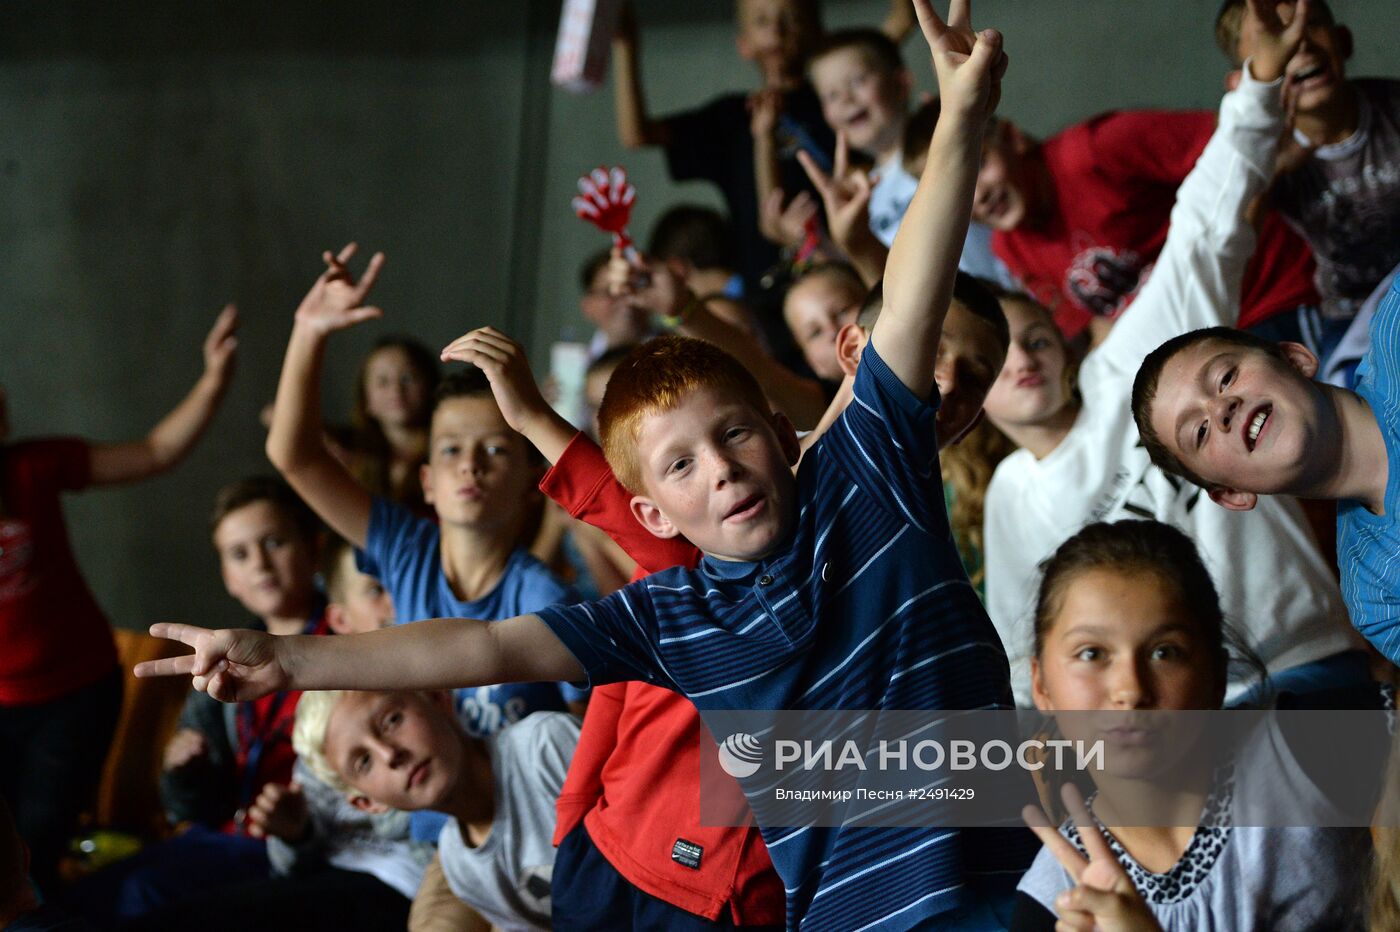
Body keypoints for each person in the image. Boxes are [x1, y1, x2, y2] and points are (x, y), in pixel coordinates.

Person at [136, 6, 1037, 927]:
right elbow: (482, 646)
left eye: (733, 436)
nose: (720, 471)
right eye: (679, 466)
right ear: (650, 516)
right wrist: (283, 659)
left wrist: (960, 116)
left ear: (781, 431)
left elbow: (914, 299)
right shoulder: (674, 612)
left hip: (1006, 888)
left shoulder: (871, 477)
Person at [980, 15, 1366, 708]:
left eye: (1034, 337)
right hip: (1182, 724)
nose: (1021, 361)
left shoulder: (1132, 359)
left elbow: (1204, 228)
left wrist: (1257, 87)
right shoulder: (1011, 495)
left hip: (1309, 655)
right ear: (966, 396)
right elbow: (1022, 650)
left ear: (1065, 341)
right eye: (992, 355)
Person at [263, 247, 583, 740]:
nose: (470, 465)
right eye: (451, 450)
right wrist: (308, 331)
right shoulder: (406, 549)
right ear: (428, 482)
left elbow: (586, 735)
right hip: (428, 815)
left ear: (532, 485)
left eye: (496, 450)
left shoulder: (545, 598)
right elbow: (295, 456)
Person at [1009, 520, 1376, 931]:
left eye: (1165, 652)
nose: (1130, 690)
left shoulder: (1301, 747)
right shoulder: (1057, 904)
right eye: (1091, 653)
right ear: (1040, 684)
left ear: (1217, 676)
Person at [0, 305, 238, 896]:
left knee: (37, 843)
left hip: (75, 693)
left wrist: (212, 380)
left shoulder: (33, 468)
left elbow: (156, 451)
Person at [66, 477, 330, 925]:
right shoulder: (224, 659)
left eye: (276, 542)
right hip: (224, 836)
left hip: (299, 844)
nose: (261, 563)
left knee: (142, 895)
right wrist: (185, 769)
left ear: (314, 548)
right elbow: (186, 809)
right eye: (240, 554)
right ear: (229, 578)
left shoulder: (350, 642)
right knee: (76, 901)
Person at [971, 42, 1320, 349]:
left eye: (980, 163)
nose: (978, 195)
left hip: (1266, 301)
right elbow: (1099, 328)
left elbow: (1242, 151)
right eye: (959, 192)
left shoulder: (1097, 149)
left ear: (1012, 137)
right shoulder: (1009, 247)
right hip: (1192, 353)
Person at [293, 690, 579, 931]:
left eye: (392, 720)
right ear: (368, 803)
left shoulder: (545, 744)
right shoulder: (460, 867)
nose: (390, 754)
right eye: (364, 762)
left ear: (436, 698)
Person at [1217, 0, 1400, 330]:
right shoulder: (1260, 156)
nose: (1298, 45)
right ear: (1244, 85)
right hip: (1352, 315)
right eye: (1272, 39)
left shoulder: (1392, 108)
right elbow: (1231, 252)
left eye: (1311, 25)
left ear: (1343, 41)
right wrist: (1270, 171)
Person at [340, 336, 440, 509]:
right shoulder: (350, 458)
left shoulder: (448, 455)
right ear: (366, 399)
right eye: (382, 381)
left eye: (408, 377)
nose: (396, 389)